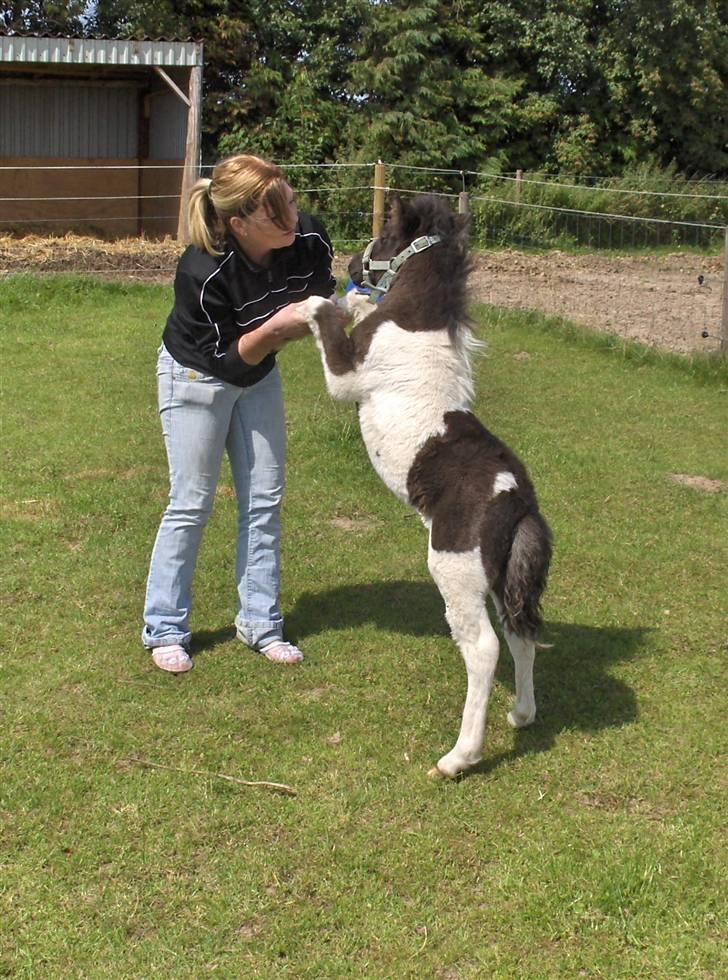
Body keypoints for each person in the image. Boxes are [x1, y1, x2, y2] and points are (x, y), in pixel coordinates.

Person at [142, 153, 342, 673]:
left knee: (264, 499)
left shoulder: (309, 239)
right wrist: (275, 330)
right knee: (190, 502)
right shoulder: (203, 270)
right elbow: (227, 359)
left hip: (258, 378)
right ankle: (164, 628)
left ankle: (260, 623)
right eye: (276, 213)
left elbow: (321, 293)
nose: (292, 219)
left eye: (293, 203)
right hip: (197, 378)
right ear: (239, 223)